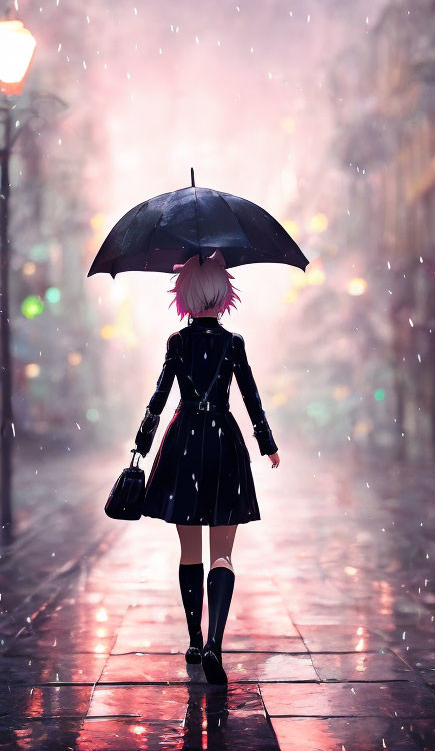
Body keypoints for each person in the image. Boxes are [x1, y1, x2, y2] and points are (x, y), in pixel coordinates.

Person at [133, 249, 280, 686]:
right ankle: (216, 641)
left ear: (186, 296)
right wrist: (267, 442)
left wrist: (142, 441)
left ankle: (195, 640)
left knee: (190, 552)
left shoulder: (177, 343)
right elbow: (250, 396)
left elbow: (160, 396)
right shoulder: (233, 344)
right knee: (223, 554)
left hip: (183, 444)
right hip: (224, 443)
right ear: (222, 294)